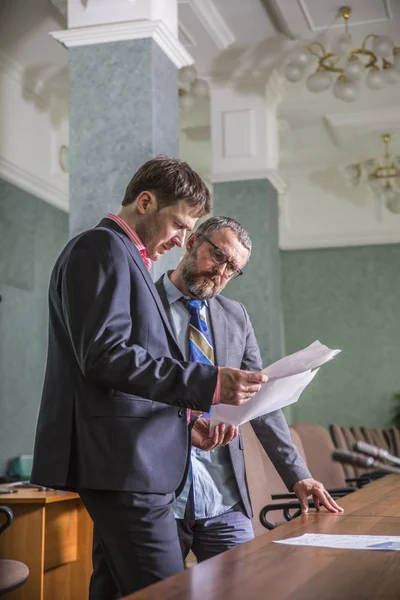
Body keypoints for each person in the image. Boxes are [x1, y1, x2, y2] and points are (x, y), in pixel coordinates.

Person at [31, 158, 268, 599]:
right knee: (168, 592)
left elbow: (125, 368)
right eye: (179, 224)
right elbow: (105, 356)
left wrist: (184, 422)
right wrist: (209, 383)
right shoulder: (101, 248)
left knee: (113, 590)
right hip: (127, 465)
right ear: (145, 202)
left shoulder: (126, 258)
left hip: (132, 460)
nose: (180, 239)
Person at [155, 215, 344, 563]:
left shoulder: (236, 316)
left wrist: (298, 476)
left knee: (245, 585)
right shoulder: (145, 304)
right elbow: (128, 382)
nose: (221, 272)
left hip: (223, 495)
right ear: (192, 242)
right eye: (219, 257)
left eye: (233, 269)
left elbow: (263, 403)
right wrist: (184, 419)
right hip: (160, 493)